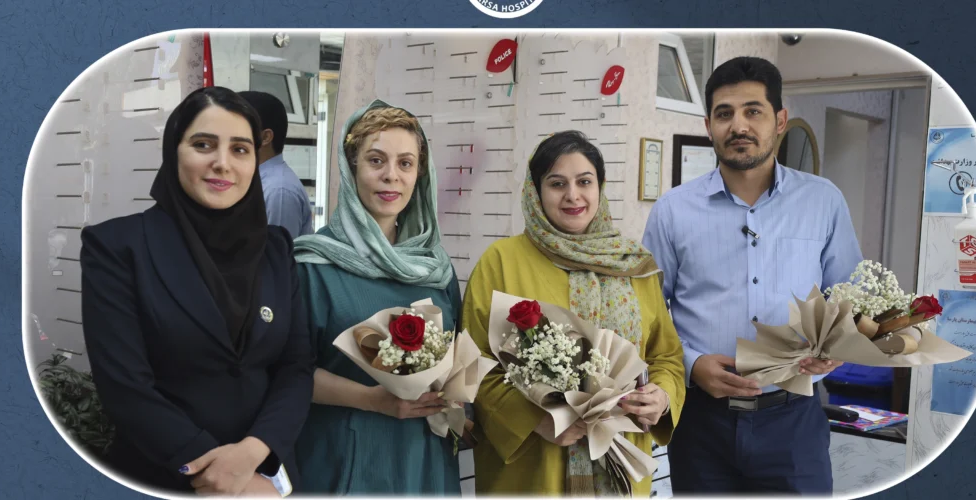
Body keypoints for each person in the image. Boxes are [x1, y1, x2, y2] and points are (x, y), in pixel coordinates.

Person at [641, 56, 863, 495]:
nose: (738, 125)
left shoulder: (823, 201)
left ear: (779, 120)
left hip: (794, 419)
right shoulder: (672, 211)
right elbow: (646, 312)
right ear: (709, 126)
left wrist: (835, 348)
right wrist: (691, 365)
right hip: (701, 423)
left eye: (753, 111)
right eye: (724, 114)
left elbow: (850, 297)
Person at [80, 86, 315, 497]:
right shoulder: (118, 247)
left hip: (267, 479)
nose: (222, 163)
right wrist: (214, 472)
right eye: (203, 145)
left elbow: (296, 367)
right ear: (174, 151)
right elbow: (124, 385)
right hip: (162, 476)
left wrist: (254, 457)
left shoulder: (275, 248)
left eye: (240, 149)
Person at [463, 131, 686, 496]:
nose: (573, 195)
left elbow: (666, 355)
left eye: (584, 182)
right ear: (535, 192)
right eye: (557, 184)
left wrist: (661, 397)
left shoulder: (633, 265)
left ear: (600, 187)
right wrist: (535, 419)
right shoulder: (500, 263)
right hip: (535, 467)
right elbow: (473, 363)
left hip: (621, 460)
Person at [290, 100, 462, 495]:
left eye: (405, 163)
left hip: (426, 456)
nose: (391, 176)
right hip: (346, 456)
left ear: (420, 175)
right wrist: (373, 400)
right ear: (351, 169)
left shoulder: (434, 268)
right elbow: (288, 373)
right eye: (376, 160)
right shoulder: (311, 265)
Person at [238, 90, 314, 238]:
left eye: (238, 127)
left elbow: (277, 251)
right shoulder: (256, 180)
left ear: (265, 137)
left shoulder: (278, 191)